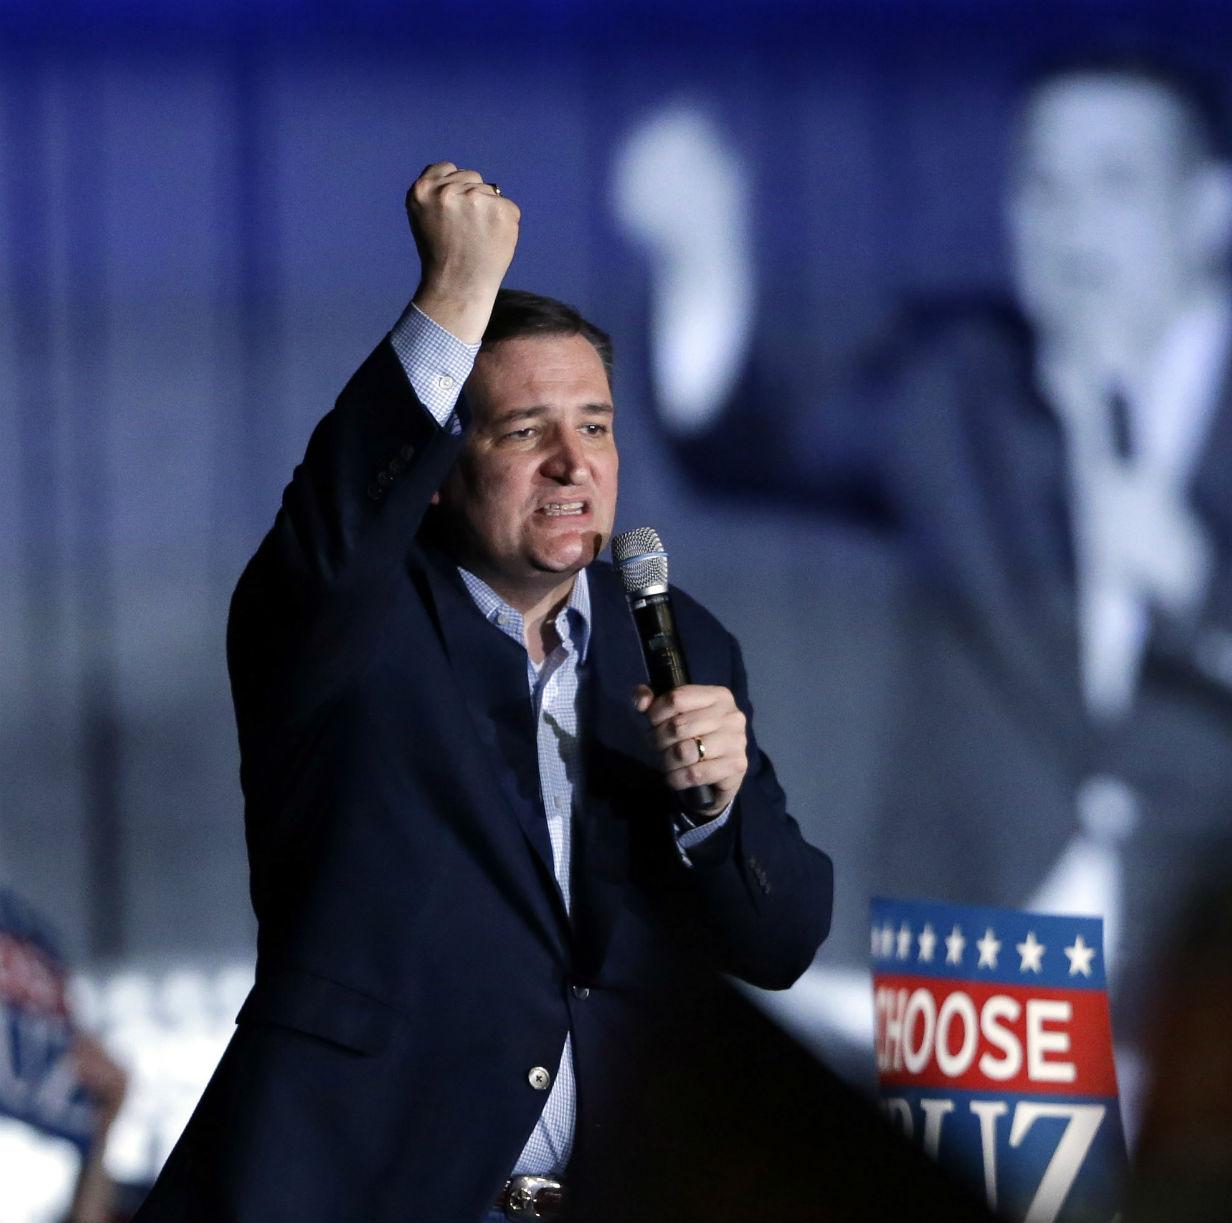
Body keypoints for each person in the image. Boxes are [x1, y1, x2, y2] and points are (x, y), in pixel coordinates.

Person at [614, 56, 1232, 1049]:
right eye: (1042, 186)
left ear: (1211, 208)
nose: (1070, 222)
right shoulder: (958, 385)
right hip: (974, 972)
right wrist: (704, 255)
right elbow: (750, 438)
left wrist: (1198, 580)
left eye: (1114, 182)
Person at [135, 163, 833, 1222]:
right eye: (523, 431)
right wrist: (455, 293)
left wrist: (717, 808)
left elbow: (779, 942)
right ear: (441, 473)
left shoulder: (677, 638)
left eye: (595, 426)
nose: (572, 464)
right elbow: (338, 519)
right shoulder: (352, 615)